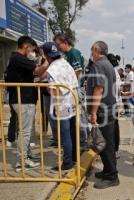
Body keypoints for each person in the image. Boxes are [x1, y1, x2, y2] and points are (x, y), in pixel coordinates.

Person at [5, 36, 48, 172]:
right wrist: (47, 60)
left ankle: (26, 155)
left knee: (24, 130)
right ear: (26, 46)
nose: (32, 51)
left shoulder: (17, 59)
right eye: (32, 48)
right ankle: (21, 162)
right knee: (25, 131)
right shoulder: (18, 58)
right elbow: (38, 70)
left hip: (23, 99)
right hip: (22, 100)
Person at [86, 41, 119, 189]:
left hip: (103, 111)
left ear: (96, 50)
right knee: (106, 143)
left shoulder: (99, 65)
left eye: (92, 50)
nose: (91, 53)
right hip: (109, 109)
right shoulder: (108, 65)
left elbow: (98, 89)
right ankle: (107, 171)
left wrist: (93, 112)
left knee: (106, 144)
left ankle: (112, 176)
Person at [41, 42, 78, 171]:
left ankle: (67, 162)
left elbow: (54, 91)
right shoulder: (65, 63)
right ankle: (74, 157)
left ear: (46, 55)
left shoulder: (52, 69)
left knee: (65, 134)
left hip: (61, 104)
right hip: (72, 101)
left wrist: (45, 87)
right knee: (72, 132)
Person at [54, 33, 88, 149]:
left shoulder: (73, 53)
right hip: (73, 88)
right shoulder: (67, 54)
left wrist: (70, 85)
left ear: (65, 42)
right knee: (76, 115)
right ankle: (81, 140)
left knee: (80, 115)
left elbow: (77, 71)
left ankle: (83, 142)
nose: (58, 47)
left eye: (58, 44)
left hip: (76, 88)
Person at [107, 53, 121, 159]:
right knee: (114, 127)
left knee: (112, 128)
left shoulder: (111, 72)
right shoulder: (115, 72)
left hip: (112, 104)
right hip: (115, 103)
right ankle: (115, 149)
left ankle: (114, 150)